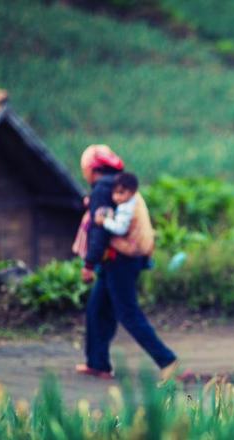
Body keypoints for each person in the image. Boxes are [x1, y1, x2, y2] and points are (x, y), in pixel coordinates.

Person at [75, 145, 178, 381]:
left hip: (118, 261)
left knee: (128, 314)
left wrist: (89, 264)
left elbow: (99, 230)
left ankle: (169, 362)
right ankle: (97, 363)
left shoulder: (103, 188)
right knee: (96, 309)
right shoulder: (120, 184)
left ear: (90, 169)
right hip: (124, 260)